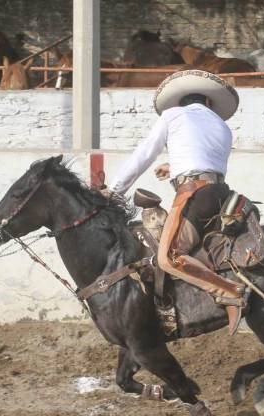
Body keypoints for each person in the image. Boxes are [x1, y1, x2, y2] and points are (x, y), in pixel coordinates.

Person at [104, 70, 249, 335]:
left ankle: (230, 292)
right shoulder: (223, 126)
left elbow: (143, 154)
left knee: (168, 257)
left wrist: (114, 191)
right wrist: (173, 168)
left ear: (181, 101)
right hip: (221, 194)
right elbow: (206, 160)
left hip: (194, 195)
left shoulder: (172, 115)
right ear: (207, 103)